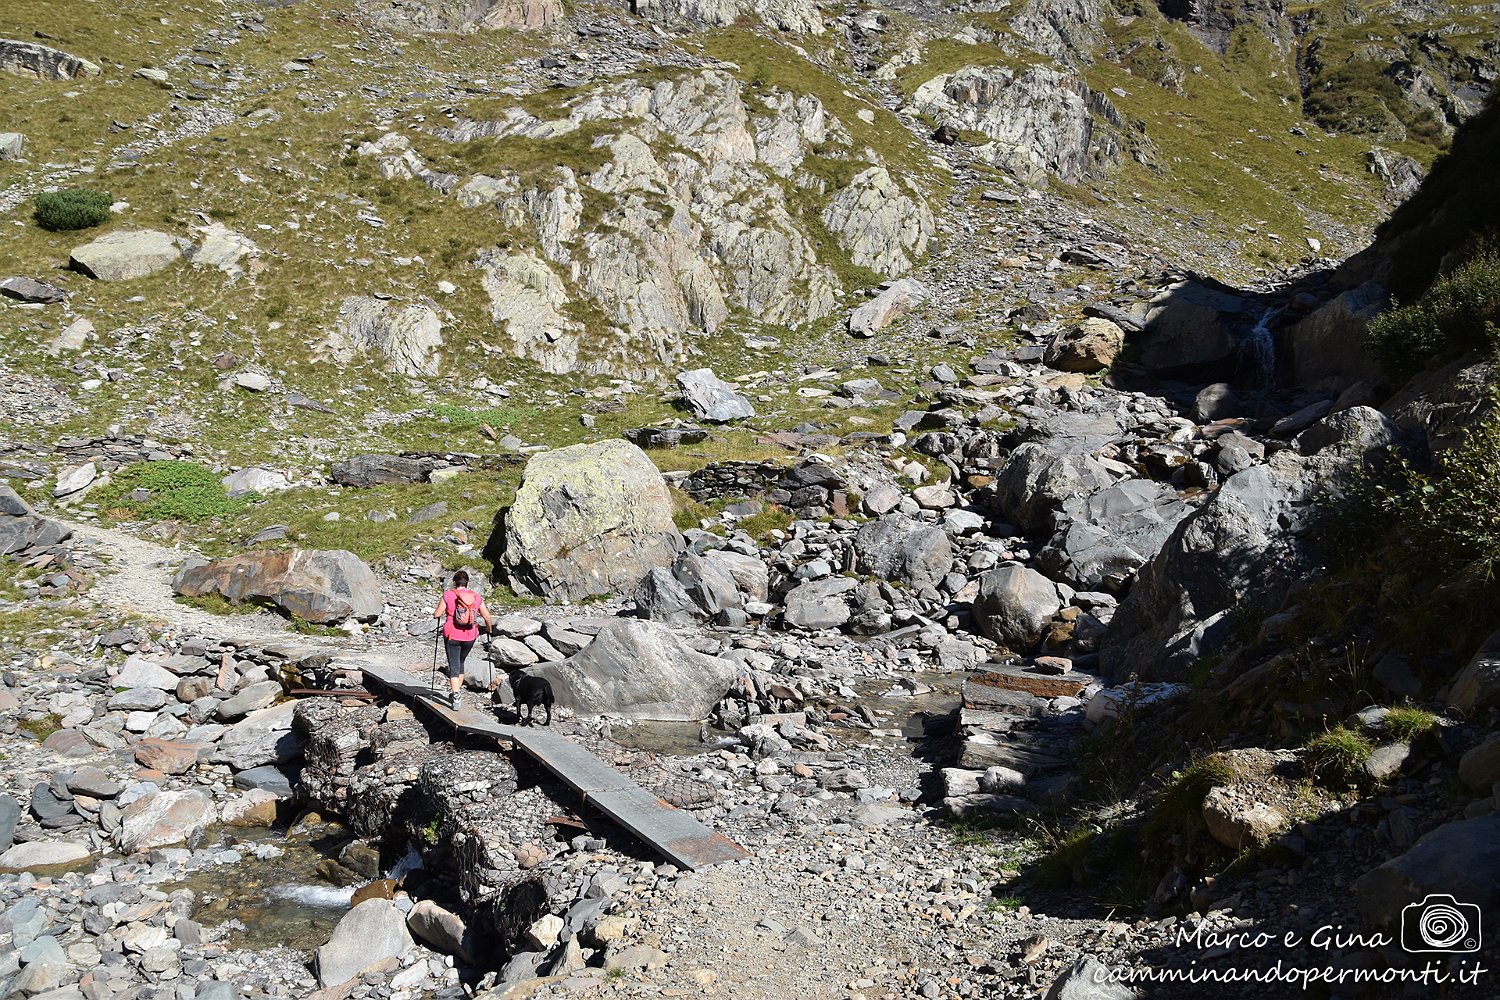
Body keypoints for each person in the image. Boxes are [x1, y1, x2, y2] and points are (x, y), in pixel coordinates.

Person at [432, 570, 493, 709]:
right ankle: (456, 692)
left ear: (454, 582)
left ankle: (456, 696)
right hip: (470, 636)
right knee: (461, 662)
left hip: (452, 635)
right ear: (467, 583)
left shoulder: (448, 595)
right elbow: (487, 617)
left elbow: (437, 614)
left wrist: (436, 614)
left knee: (454, 666)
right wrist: (489, 629)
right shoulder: (476, 597)